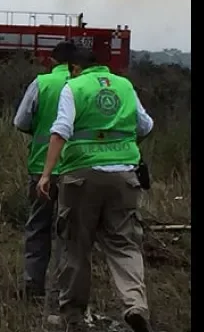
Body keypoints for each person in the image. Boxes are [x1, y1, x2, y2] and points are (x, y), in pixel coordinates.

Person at [36, 48, 155, 332]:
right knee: (125, 244)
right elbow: (146, 125)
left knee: (76, 245)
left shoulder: (73, 87)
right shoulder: (124, 85)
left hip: (81, 177)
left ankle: (73, 316)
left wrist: (46, 174)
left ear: (76, 67)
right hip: (124, 177)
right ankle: (135, 305)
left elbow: (61, 129)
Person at [12, 41, 78, 301]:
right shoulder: (83, 87)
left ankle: (32, 285)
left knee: (38, 227)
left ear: (52, 61)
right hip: (77, 169)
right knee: (69, 231)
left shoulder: (41, 83)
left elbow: (20, 122)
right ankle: (64, 291)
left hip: (41, 168)